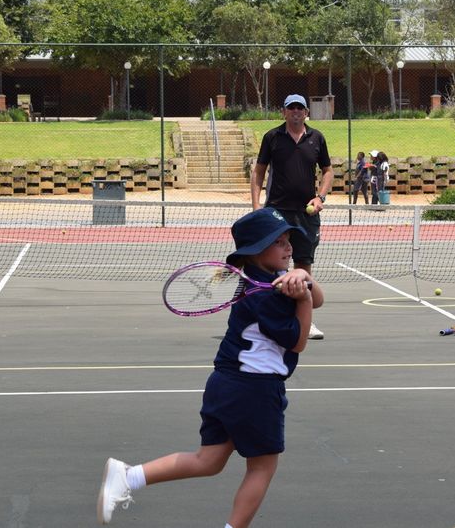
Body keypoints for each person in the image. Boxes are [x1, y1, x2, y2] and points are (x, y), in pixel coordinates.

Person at [96, 207, 324, 527]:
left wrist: (306, 280)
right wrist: (302, 299)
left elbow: (319, 299)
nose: (289, 248)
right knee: (262, 467)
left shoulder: (269, 281)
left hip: (225, 383)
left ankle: (128, 477)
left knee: (210, 460)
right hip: (254, 388)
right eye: (280, 242)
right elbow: (299, 342)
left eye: (289, 240)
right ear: (257, 250)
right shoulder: (264, 297)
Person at [251, 94, 333, 340]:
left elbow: (328, 171)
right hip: (276, 212)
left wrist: (320, 197)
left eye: (300, 108)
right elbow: (259, 173)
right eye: (291, 108)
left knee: (303, 266)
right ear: (284, 112)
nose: (296, 111)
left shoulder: (316, 138)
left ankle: (306, 322)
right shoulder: (272, 137)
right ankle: (265, 315)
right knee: (272, 264)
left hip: (306, 215)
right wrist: (256, 207)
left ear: (306, 112)